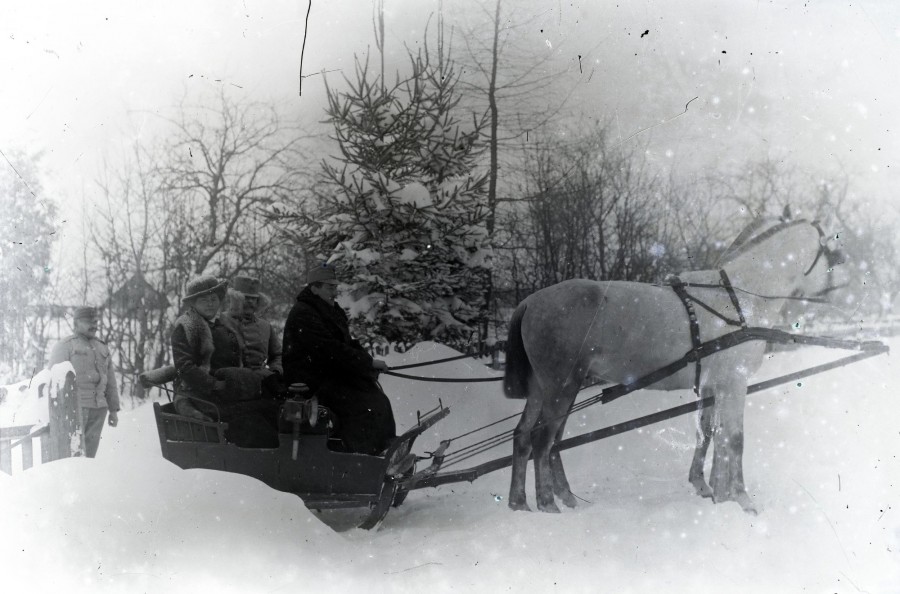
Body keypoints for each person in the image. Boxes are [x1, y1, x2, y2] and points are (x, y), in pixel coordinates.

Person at [282, 264, 396, 455]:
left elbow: (345, 343)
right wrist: (366, 364)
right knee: (362, 404)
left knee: (377, 398)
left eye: (335, 287)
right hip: (307, 379)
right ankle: (356, 455)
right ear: (314, 288)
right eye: (330, 287)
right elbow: (328, 349)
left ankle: (383, 450)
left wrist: (367, 363)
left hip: (329, 373)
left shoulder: (329, 309)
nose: (334, 292)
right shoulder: (304, 313)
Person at [171, 275, 278, 447]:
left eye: (214, 299)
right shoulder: (187, 327)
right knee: (250, 422)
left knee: (269, 408)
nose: (210, 304)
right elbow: (185, 367)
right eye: (204, 300)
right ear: (193, 303)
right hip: (199, 394)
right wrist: (214, 385)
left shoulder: (223, 324)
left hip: (228, 390)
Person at [48, 306, 120, 458]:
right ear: (76, 323)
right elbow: (53, 381)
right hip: (75, 410)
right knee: (72, 455)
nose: (94, 325)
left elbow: (110, 381)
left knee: (90, 456)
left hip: (99, 409)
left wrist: (113, 410)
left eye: (95, 321)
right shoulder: (65, 346)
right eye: (89, 322)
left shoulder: (102, 347)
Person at [225, 275, 283, 381]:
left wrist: (275, 371)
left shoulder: (265, 326)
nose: (251, 302)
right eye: (246, 298)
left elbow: (278, 355)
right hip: (229, 382)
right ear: (234, 299)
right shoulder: (220, 321)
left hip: (260, 382)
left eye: (254, 299)